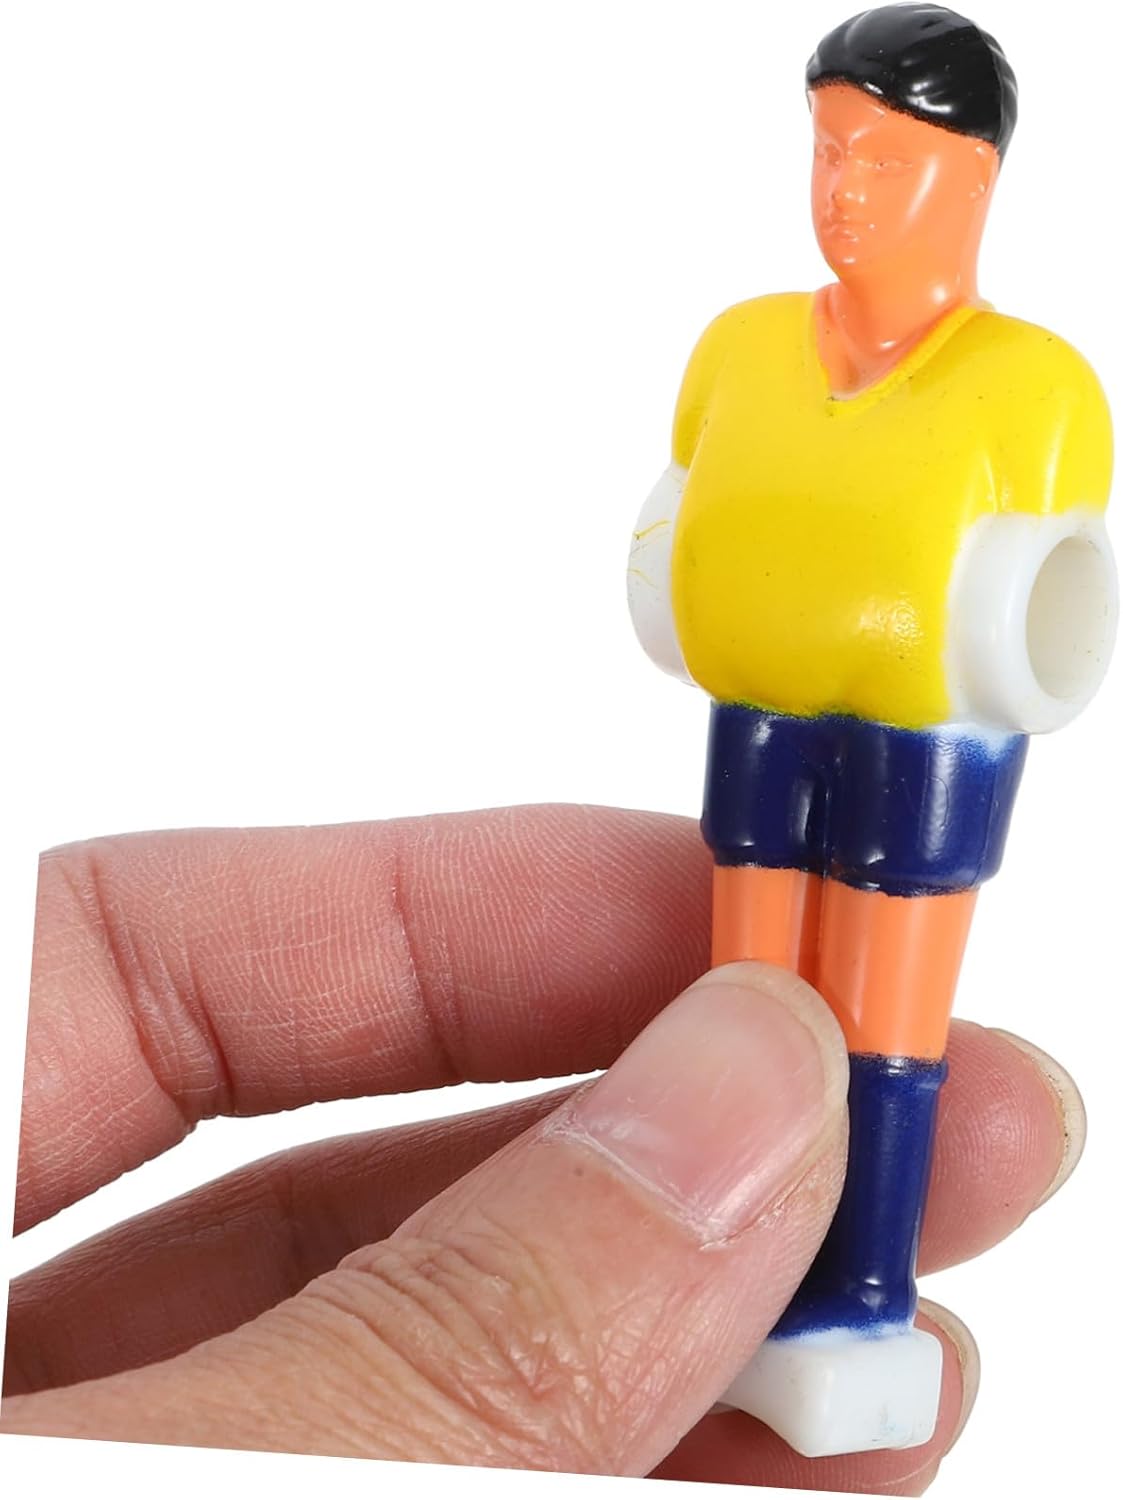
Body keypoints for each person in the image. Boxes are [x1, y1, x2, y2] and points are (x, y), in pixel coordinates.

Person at [0, 809, 1087, 1491]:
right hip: (786, 763)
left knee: (882, 1051)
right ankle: (831, 1302)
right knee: (838, 1018)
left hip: (893, 800)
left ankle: (846, 1300)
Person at [627, 2, 1115, 1456]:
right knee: (744, 1001)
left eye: (881, 159)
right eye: (826, 151)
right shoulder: (738, 348)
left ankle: (852, 1301)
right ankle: (730, 1280)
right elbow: (677, 517)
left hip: (929, 747)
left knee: (880, 1031)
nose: (841, 189)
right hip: (756, 715)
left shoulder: (1035, 391)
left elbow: (1046, 590)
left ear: (973, 178)